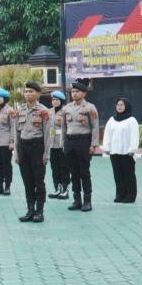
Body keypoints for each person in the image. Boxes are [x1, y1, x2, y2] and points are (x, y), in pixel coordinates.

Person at [14, 81, 52, 223]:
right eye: (26, 91)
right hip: (23, 147)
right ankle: (30, 210)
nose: (28, 94)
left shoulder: (44, 111)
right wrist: (16, 153)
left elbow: (48, 134)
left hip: (37, 147)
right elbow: (16, 133)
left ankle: (39, 211)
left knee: (38, 181)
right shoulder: (20, 110)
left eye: (31, 91)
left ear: (38, 94)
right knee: (27, 181)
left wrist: (46, 154)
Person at [61, 78, 99, 212]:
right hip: (70, 141)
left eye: (77, 91)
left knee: (84, 172)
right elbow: (64, 127)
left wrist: (93, 144)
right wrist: (63, 143)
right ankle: (77, 200)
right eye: (73, 91)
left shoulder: (90, 107)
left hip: (84, 141)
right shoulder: (66, 108)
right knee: (74, 172)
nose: (74, 94)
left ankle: (87, 201)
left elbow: (95, 126)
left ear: (84, 93)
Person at [103, 97, 139, 203]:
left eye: (122, 105)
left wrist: (132, 149)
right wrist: (106, 147)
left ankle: (130, 195)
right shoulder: (112, 120)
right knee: (118, 175)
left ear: (126, 106)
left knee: (128, 175)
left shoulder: (131, 120)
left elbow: (134, 135)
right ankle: (120, 195)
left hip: (127, 153)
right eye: (118, 105)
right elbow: (107, 134)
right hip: (114, 152)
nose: (119, 107)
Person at [47, 91, 70, 200]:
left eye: (57, 100)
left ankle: (65, 190)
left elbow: (68, 128)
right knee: (54, 167)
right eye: (53, 100)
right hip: (52, 144)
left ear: (61, 101)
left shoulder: (66, 111)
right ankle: (57, 189)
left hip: (62, 144)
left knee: (64, 167)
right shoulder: (49, 112)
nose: (54, 102)